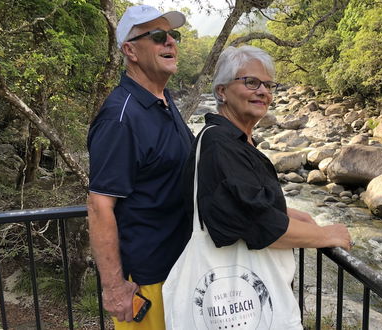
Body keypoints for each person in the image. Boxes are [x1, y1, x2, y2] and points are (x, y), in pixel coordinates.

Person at [182, 45, 352, 321]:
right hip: (237, 298)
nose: (263, 91)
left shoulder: (237, 140)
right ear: (222, 91)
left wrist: (293, 214)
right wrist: (327, 235)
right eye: (251, 82)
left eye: (268, 85)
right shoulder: (220, 144)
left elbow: (239, 202)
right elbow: (259, 224)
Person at [87, 5, 194, 329]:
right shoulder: (120, 118)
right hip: (148, 283)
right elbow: (99, 207)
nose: (171, 43)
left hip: (182, 271)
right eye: (159, 36)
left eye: (173, 35)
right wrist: (114, 289)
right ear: (130, 50)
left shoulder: (163, 100)